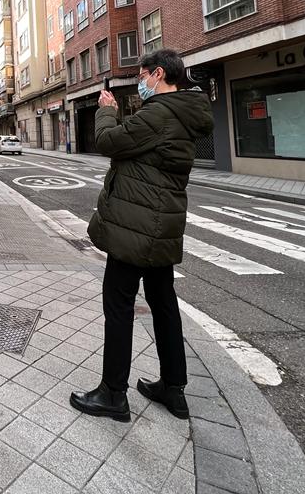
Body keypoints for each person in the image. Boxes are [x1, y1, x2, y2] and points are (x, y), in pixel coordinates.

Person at [70, 49, 213, 422]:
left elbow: (108, 142)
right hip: (162, 225)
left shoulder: (159, 113)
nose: (141, 81)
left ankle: (113, 394)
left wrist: (106, 110)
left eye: (143, 75)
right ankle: (173, 387)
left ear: (159, 74)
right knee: (164, 303)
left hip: (136, 225)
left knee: (118, 305)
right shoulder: (185, 113)